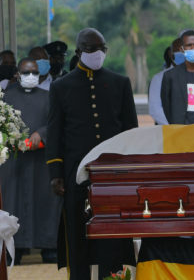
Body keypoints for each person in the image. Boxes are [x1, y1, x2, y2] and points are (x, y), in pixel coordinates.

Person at [47, 28, 138, 279]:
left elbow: (131, 131)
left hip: (112, 173)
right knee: (77, 236)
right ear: (78, 52)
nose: (97, 53)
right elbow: (55, 133)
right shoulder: (61, 87)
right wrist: (55, 172)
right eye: (90, 48)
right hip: (75, 173)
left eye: (101, 48)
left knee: (112, 236)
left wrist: (130, 170)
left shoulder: (120, 83)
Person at [2, 57, 62, 264]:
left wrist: (41, 134)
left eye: (34, 73)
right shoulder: (5, 97)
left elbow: (57, 122)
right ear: (17, 75)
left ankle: (48, 247)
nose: (31, 77)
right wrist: (15, 137)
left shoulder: (50, 96)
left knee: (45, 202)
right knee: (13, 203)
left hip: (41, 161)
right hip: (14, 161)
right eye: (26, 72)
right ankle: (15, 249)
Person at [161, 30, 194, 125]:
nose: (193, 48)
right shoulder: (170, 76)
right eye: (189, 45)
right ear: (182, 49)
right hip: (179, 130)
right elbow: (166, 106)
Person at [148, 46, 175, 125]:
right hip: (170, 129)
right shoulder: (159, 78)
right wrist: (175, 126)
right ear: (171, 55)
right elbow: (155, 109)